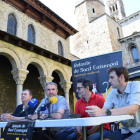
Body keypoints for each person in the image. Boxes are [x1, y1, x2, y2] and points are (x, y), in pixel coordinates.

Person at [86, 66, 140, 140]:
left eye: (112, 77)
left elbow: (132, 109)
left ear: (121, 77)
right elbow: (103, 113)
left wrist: (103, 112)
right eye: (109, 78)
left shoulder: (136, 85)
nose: (109, 81)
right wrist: (87, 133)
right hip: (126, 129)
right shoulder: (112, 92)